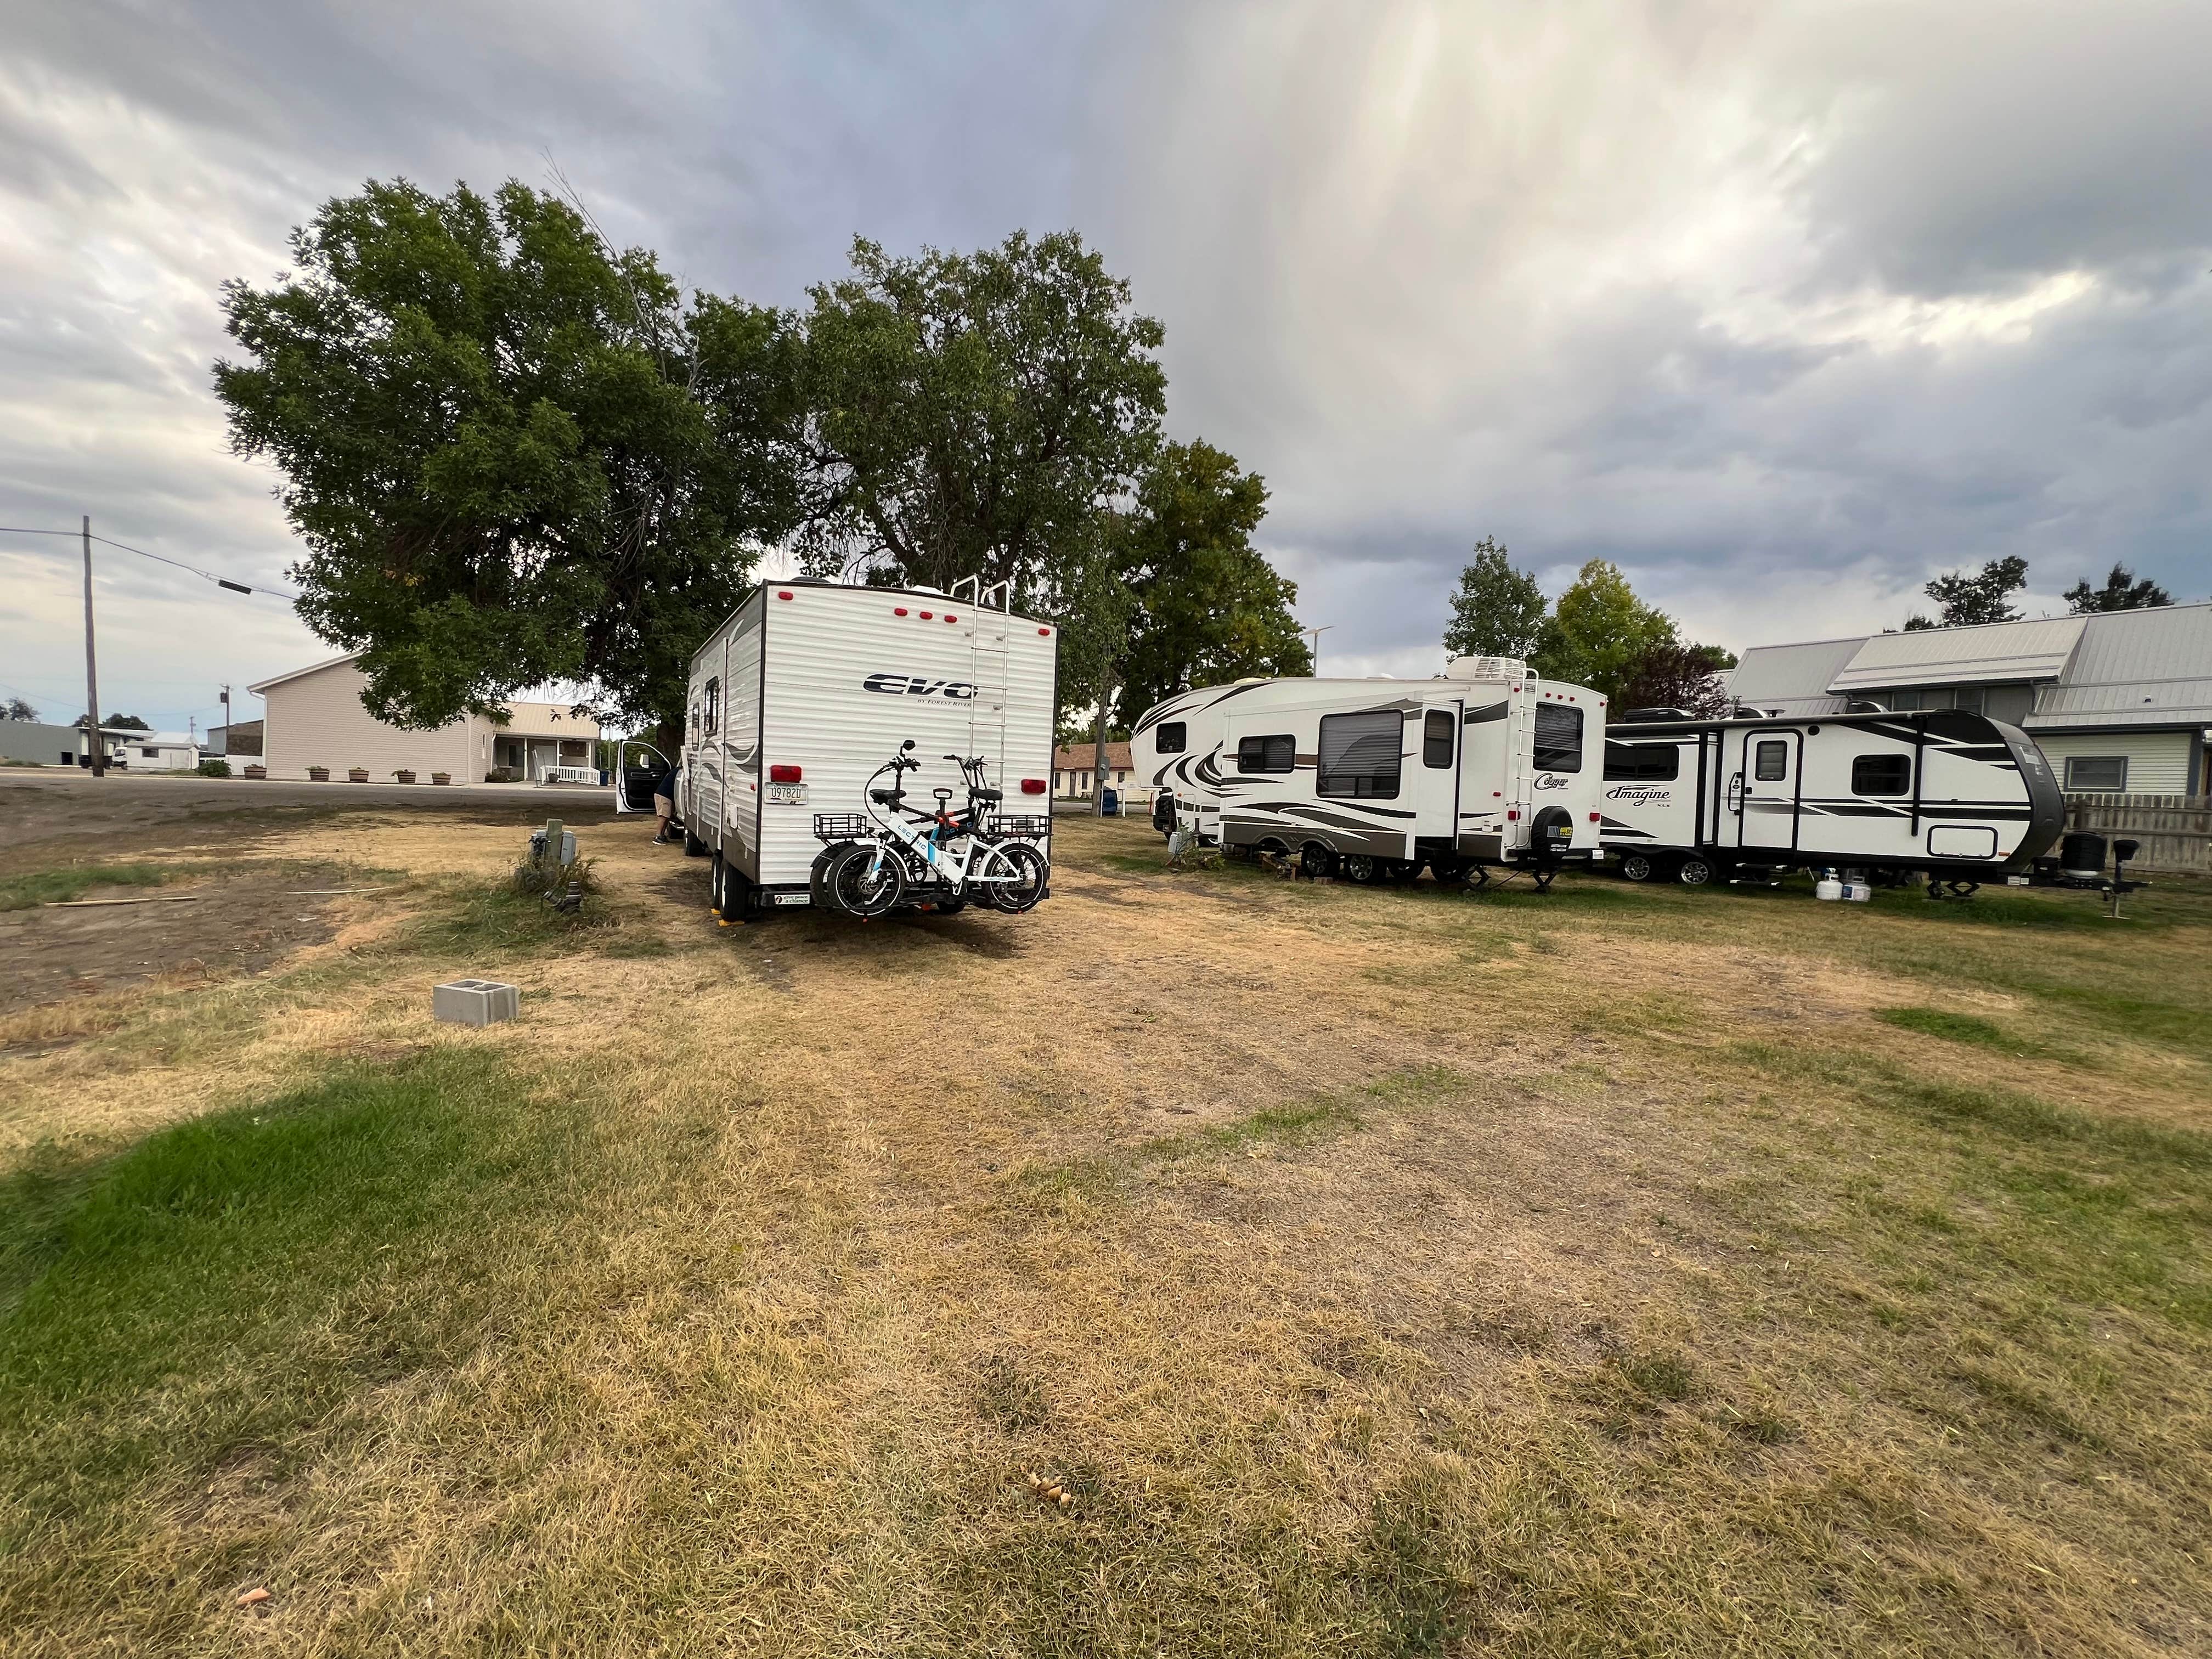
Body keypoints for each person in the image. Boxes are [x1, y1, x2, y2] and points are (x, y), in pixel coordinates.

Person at [653, 754, 680, 844]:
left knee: (667, 817)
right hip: (664, 795)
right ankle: (658, 836)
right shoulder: (679, 773)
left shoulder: (676, 771)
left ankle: (662, 835)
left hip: (664, 795)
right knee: (663, 816)